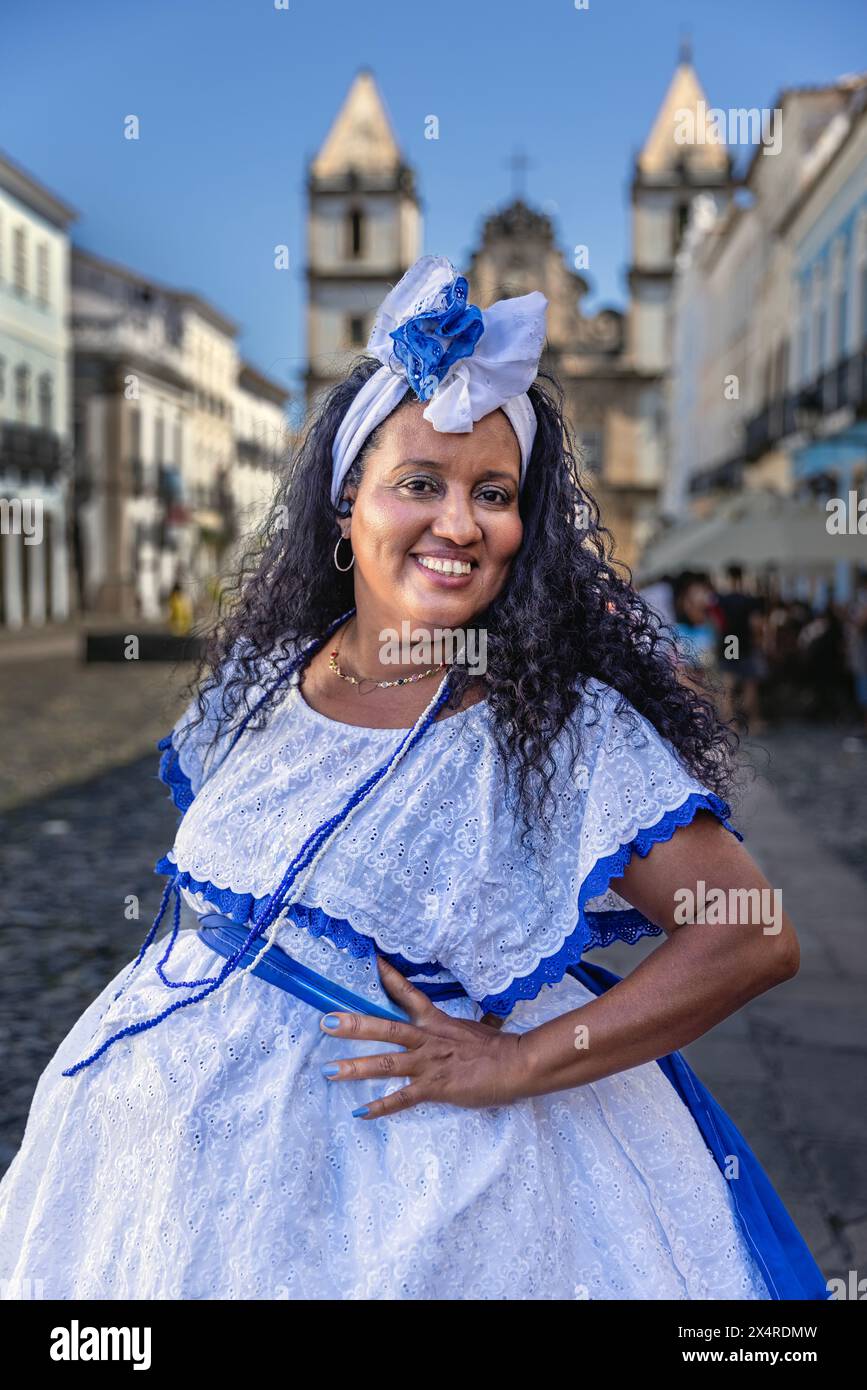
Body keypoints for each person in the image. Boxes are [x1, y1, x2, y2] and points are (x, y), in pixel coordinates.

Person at [0, 255, 828, 1301]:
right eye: (420, 484)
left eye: (494, 494)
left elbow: (749, 934)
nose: (461, 523)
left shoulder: (556, 726)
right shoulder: (262, 682)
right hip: (169, 1183)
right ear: (348, 499)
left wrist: (519, 1060)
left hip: (439, 1200)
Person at [716, 564, 766, 733]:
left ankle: (731, 722)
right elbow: (756, 623)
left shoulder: (721, 599)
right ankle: (754, 720)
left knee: (728, 684)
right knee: (750, 683)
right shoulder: (749, 600)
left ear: (728, 577)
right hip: (745, 642)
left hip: (729, 641)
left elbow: (715, 623)